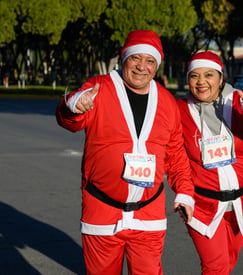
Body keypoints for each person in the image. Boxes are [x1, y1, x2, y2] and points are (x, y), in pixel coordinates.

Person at [56, 30, 194, 275]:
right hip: (102, 209)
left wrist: (184, 192)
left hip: (149, 212)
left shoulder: (167, 102)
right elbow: (70, 122)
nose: (142, 67)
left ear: (157, 66)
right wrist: (72, 107)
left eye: (150, 61)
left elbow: (176, 154)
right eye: (135, 58)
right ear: (124, 59)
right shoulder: (98, 87)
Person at [176, 51, 243, 274]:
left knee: (228, 261)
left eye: (209, 75)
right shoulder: (179, 110)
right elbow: (170, 153)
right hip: (202, 205)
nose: (201, 82)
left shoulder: (240, 101)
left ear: (221, 78)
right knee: (216, 267)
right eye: (194, 76)